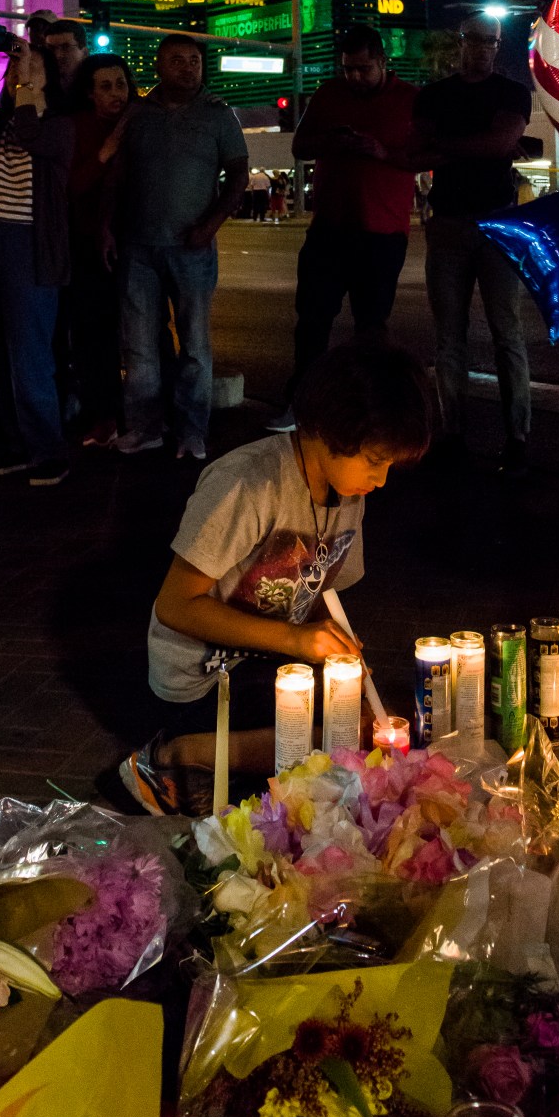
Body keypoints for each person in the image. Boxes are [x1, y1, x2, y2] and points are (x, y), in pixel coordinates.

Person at [121, 342, 432, 816]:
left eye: (389, 465)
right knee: (328, 741)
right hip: (201, 680)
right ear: (331, 430)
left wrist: (340, 655)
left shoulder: (348, 489)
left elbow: (322, 591)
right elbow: (175, 605)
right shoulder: (247, 484)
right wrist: (295, 640)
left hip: (264, 660)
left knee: (365, 723)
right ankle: (170, 757)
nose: (382, 479)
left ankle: (232, 756)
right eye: (375, 461)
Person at [267, 25, 419, 433]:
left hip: (382, 231)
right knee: (312, 321)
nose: (354, 77)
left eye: (363, 69)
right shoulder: (329, 94)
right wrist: (333, 142)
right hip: (330, 229)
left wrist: (381, 151)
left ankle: (367, 411)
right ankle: (301, 405)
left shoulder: (410, 100)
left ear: (384, 63)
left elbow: (422, 155)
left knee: (371, 327)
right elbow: (300, 148)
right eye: (348, 69)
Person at [111, 34, 248, 461]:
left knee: (194, 345)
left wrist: (211, 225)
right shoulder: (139, 114)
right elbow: (116, 174)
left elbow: (238, 176)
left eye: (194, 60)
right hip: (137, 248)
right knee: (139, 346)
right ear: (159, 66)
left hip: (193, 249)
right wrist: (107, 228)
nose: (188, 68)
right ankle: (145, 427)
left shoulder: (218, 115)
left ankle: (192, 431)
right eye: (177, 61)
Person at [411, 13, 533, 476]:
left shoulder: (511, 92)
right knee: (449, 337)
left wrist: (446, 145)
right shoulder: (435, 95)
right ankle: (453, 433)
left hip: (497, 225)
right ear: (461, 41)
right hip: (449, 223)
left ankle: (517, 435)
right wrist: (479, 145)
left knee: (507, 332)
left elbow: (500, 144)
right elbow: (415, 154)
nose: (484, 48)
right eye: (476, 40)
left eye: (492, 42)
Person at [0, 40, 75, 484]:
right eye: (17, 66)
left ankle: (50, 450)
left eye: (31, 65)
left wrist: (24, 87)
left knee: (29, 353)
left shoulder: (59, 127)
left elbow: (30, 134)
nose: (19, 71)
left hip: (29, 245)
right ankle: (18, 444)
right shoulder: (2, 122)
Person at [64, 52, 135, 450]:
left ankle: (141, 415)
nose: (116, 94)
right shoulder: (76, 128)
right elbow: (71, 186)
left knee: (147, 332)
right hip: (86, 246)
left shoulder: (141, 122)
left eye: (121, 84)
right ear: (89, 93)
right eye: (105, 87)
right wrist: (106, 151)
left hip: (137, 241)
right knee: (93, 335)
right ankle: (102, 415)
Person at [43, 20, 89, 98]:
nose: (58, 55)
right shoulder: (39, 88)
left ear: (84, 53)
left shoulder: (95, 89)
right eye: (51, 48)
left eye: (66, 47)